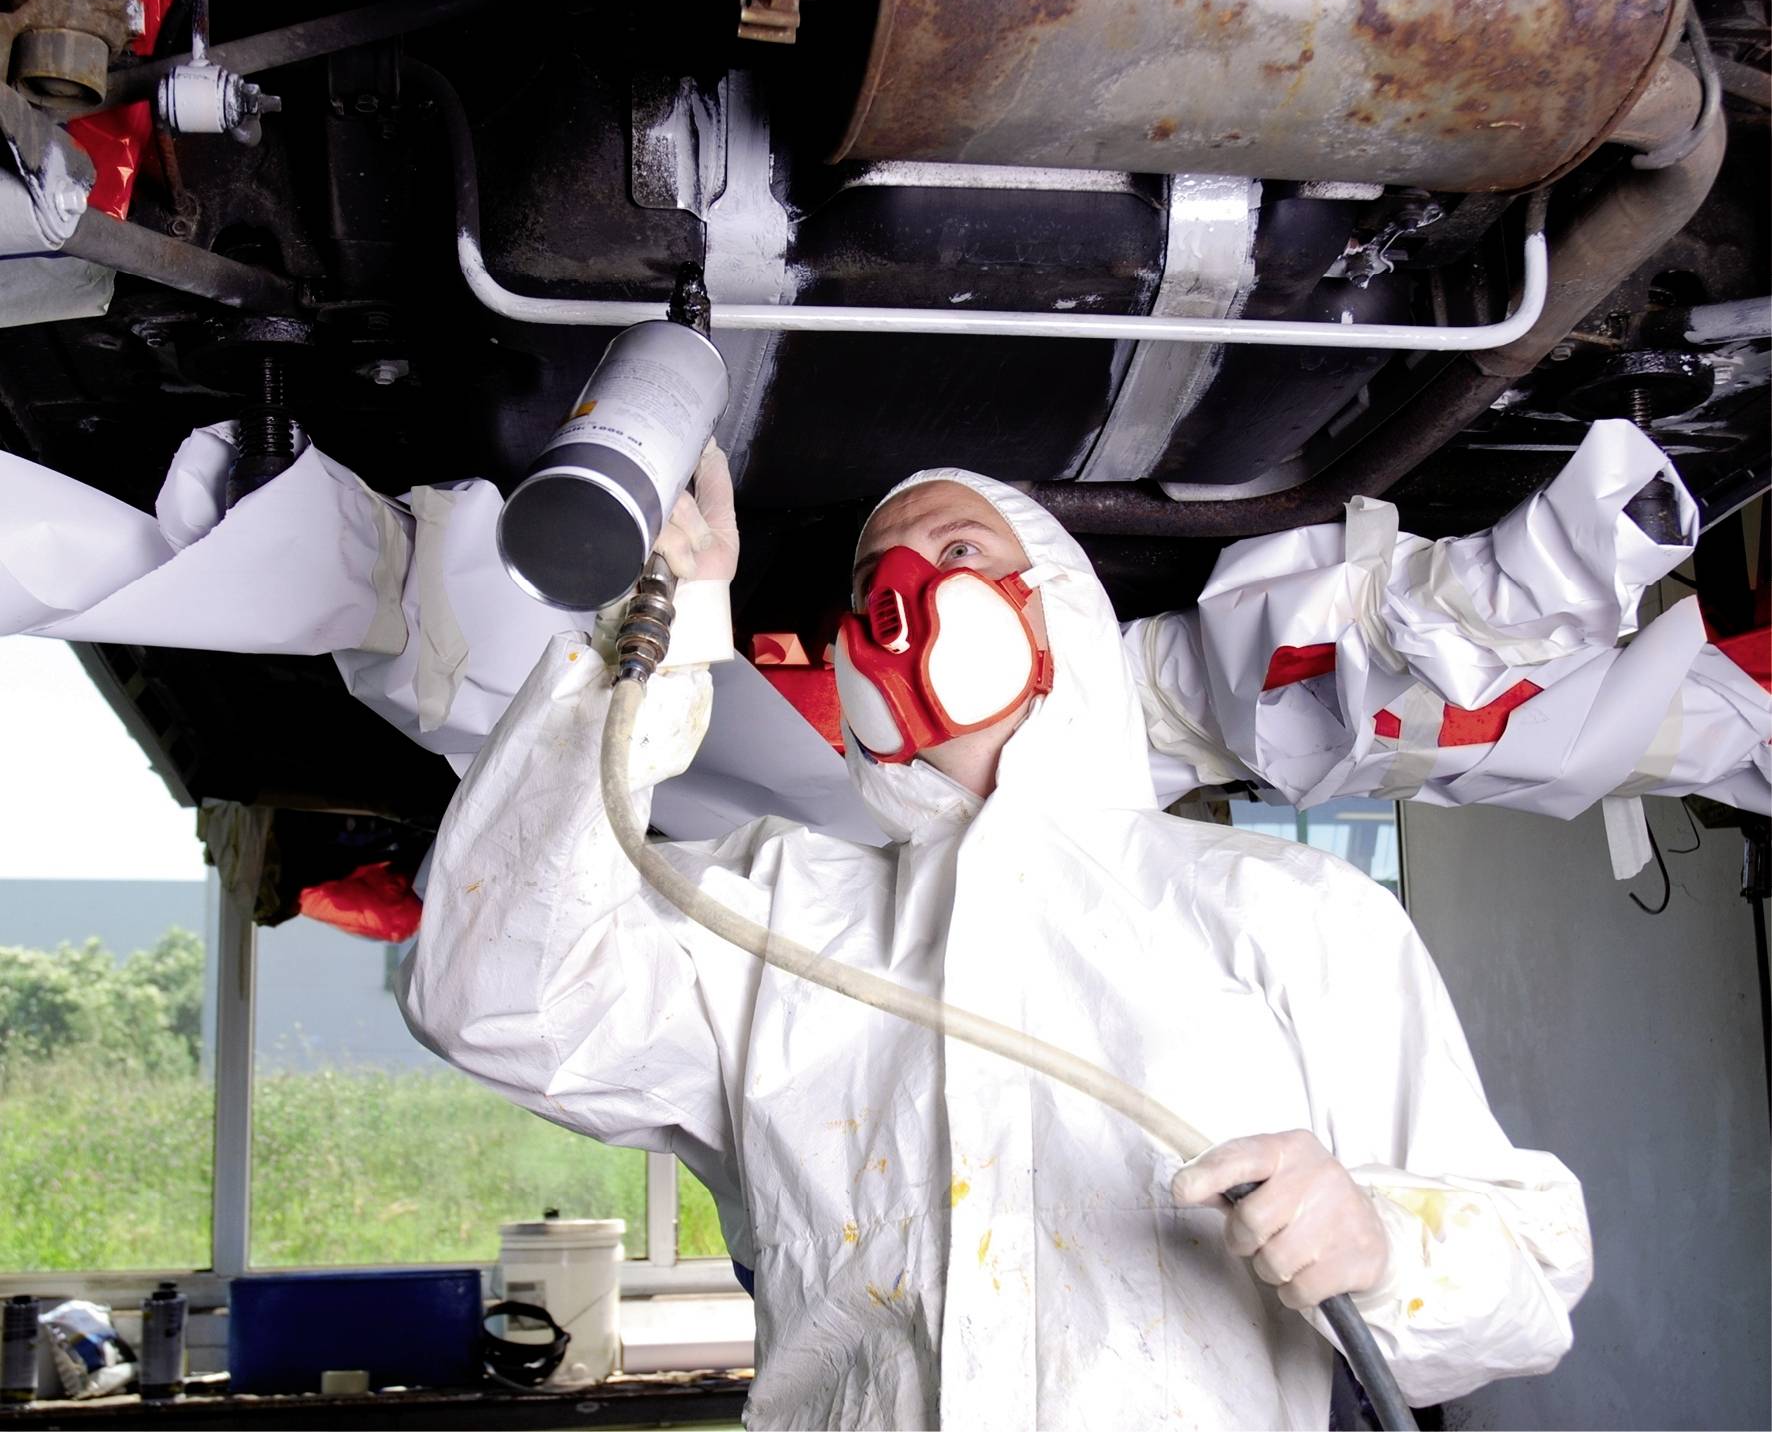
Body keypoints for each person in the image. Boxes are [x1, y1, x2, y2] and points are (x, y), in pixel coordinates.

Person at [401, 447, 1592, 1429]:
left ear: (1054, 612)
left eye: (954, 552)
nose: (897, 595)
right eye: (870, 581)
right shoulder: (769, 915)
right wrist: (642, 656)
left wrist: (1384, 1246)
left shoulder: (1286, 913)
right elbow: (491, 995)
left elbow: (1531, 1283)